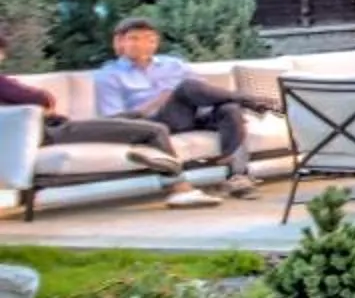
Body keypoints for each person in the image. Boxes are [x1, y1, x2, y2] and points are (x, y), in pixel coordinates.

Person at [93, 18, 261, 198]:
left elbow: (204, 92)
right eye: (134, 39)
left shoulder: (173, 64)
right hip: (156, 123)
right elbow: (116, 120)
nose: (143, 44)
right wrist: (157, 102)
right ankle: (250, 100)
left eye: (150, 39)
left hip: (191, 115)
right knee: (186, 86)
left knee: (229, 109)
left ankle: (238, 176)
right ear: (120, 42)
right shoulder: (109, 75)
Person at [0, 68, 205, 206]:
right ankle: (180, 189)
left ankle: (151, 152)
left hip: (48, 131)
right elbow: (41, 98)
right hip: (54, 131)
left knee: (133, 117)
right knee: (155, 130)